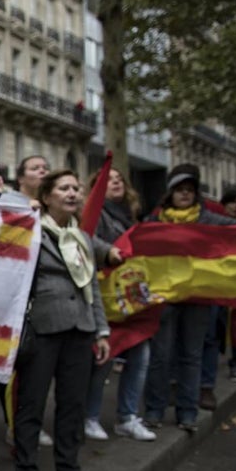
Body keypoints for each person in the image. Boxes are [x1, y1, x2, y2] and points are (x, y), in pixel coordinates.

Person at [13, 169, 110, 471]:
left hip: (80, 331)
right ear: (47, 195)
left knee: (72, 406)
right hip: (43, 330)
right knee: (32, 405)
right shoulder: (32, 232)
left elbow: (91, 286)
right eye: (64, 188)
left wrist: (101, 330)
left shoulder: (82, 237)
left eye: (76, 188)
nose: (73, 193)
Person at [142, 165, 236, 431]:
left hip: (198, 298)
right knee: (161, 356)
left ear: (196, 194)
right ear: (170, 194)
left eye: (189, 190)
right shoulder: (155, 222)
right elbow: (137, 246)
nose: (185, 194)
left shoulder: (209, 220)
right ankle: (154, 409)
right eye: (180, 190)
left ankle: (187, 413)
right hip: (165, 300)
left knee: (191, 355)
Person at [83, 166, 156, 442]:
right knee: (103, 358)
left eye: (119, 179)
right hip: (107, 297)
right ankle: (89, 416)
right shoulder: (95, 214)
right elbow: (91, 242)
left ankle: (127, 416)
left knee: (141, 354)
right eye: (108, 180)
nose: (115, 183)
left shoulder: (131, 215)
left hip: (132, 297)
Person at [200, 185, 236, 394]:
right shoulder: (214, 223)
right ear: (225, 202)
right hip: (216, 282)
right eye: (233, 202)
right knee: (214, 328)